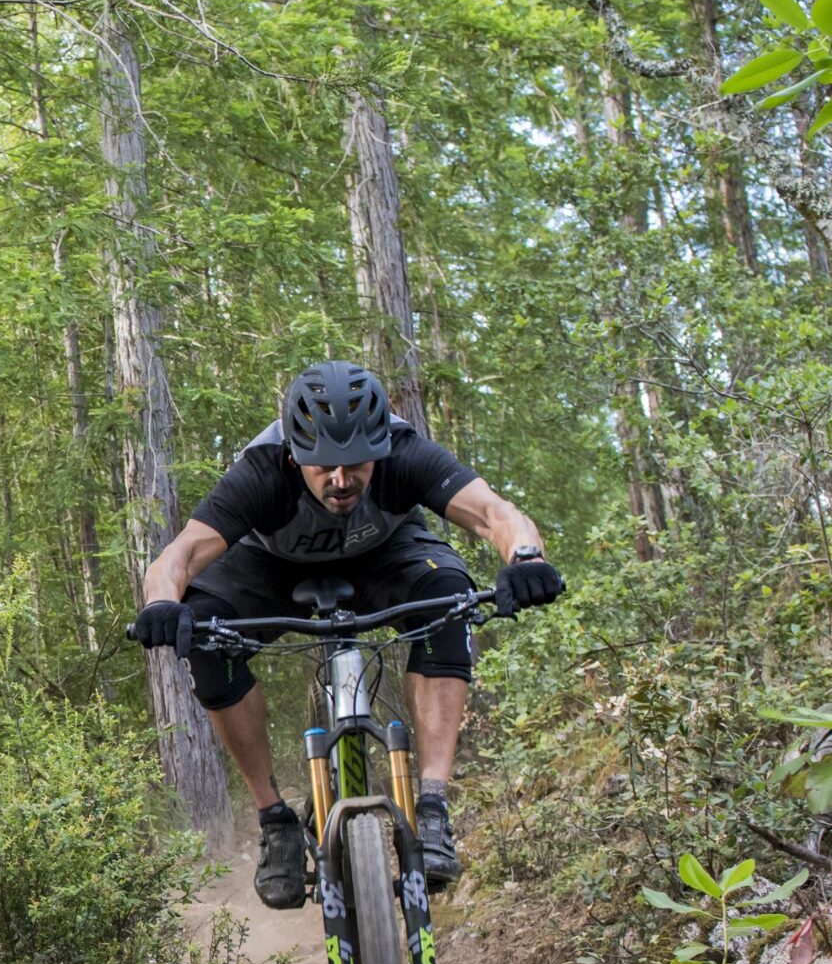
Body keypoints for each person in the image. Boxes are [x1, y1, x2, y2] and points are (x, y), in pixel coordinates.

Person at [130, 360, 564, 907]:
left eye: (356, 464)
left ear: (379, 448)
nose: (341, 481)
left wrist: (525, 558)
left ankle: (432, 806)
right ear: (295, 456)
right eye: (323, 467)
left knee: (449, 601)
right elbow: (183, 553)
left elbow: (494, 514)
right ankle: (275, 820)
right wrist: (163, 603)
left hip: (385, 554)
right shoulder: (263, 471)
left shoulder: (405, 454)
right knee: (207, 639)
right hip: (272, 566)